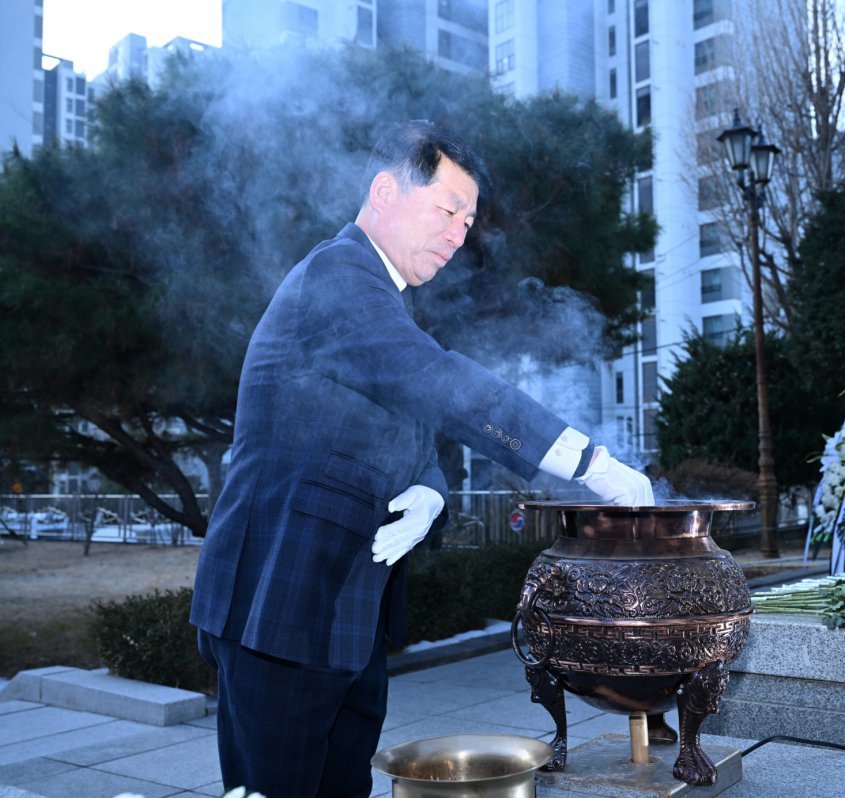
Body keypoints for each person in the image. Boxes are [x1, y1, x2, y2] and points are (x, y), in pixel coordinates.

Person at [190, 120, 654, 798]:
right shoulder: (337, 275)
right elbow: (436, 381)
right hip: (279, 607)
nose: (461, 231)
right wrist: (590, 464)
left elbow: (409, 432)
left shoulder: (386, 302)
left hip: (346, 616)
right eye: (448, 209)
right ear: (385, 192)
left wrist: (431, 492)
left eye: (469, 219)